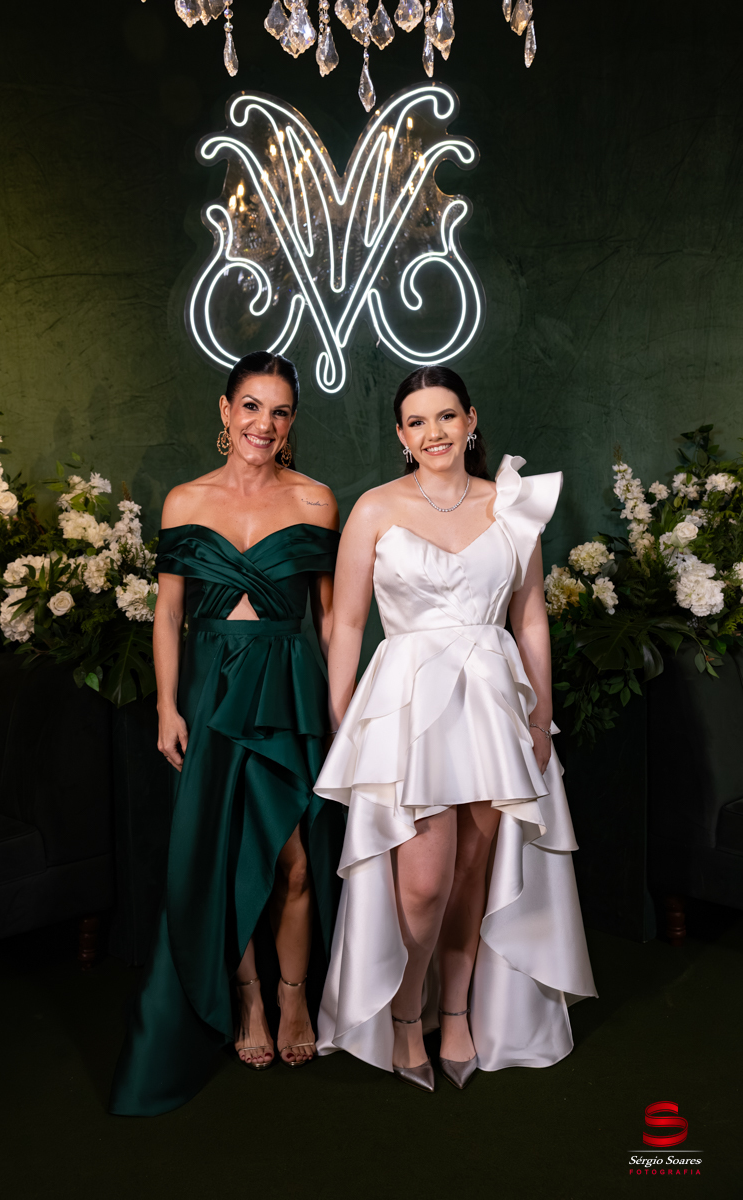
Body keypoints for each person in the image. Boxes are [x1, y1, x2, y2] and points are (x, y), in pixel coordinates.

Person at [315, 365, 596, 1092]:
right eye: (417, 421)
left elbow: (530, 618)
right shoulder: (374, 508)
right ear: (401, 435)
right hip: (410, 708)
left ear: (470, 421)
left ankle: (459, 1009)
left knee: (475, 868)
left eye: (446, 416)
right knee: (422, 881)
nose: (433, 432)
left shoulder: (512, 505)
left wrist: (541, 715)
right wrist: (344, 718)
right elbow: (347, 622)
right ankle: (405, 1012)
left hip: (494, 705)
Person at [110, 351, 344, 1116]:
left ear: (292, 421)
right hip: (209, 688)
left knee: (296, 863)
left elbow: (332, 619)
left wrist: (344, 708)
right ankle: (247, 998)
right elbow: (168, 615)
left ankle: (294, 994)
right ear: (225, 410)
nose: (263, 425)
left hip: (287, 689)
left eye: (279, 411)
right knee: (222, 850)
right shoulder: (185, 500)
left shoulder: (315, 500)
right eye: (251, 406)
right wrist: (166, 706)